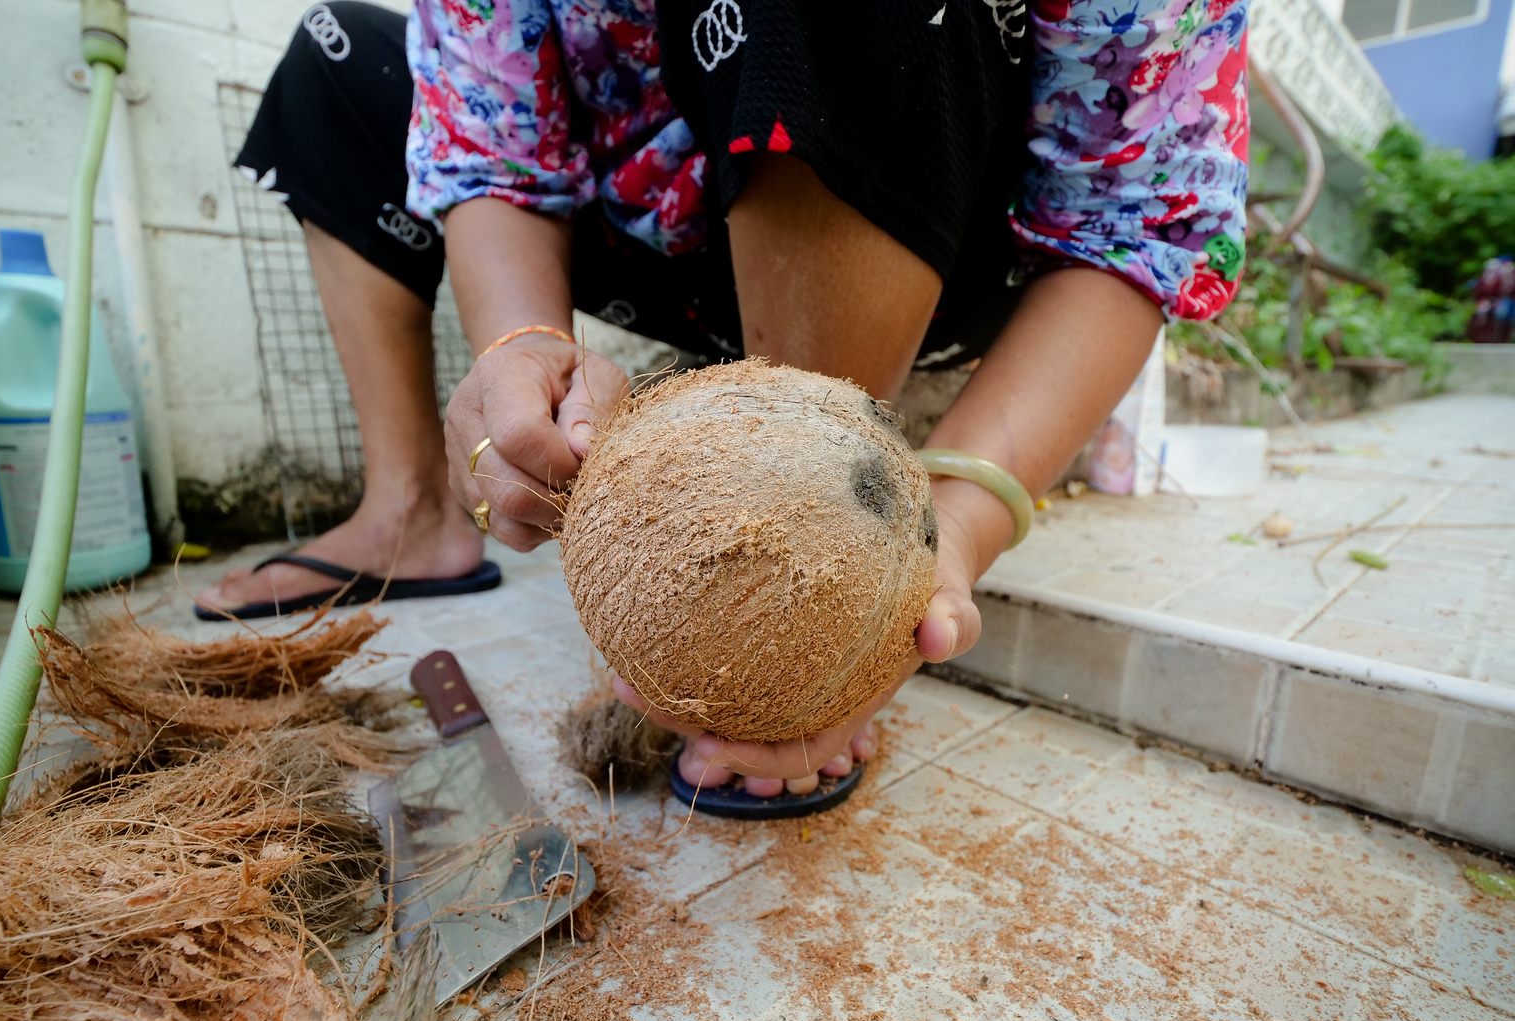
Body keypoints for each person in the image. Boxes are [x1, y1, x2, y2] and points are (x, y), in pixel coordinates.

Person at [200, 0, 1248, 798]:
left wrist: (951, 526)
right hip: (661, 216)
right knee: (337, 58)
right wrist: (524, 354)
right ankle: (415, 511)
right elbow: (491, 144)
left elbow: (1131, 222)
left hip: (935, 206)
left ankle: (806, 552)